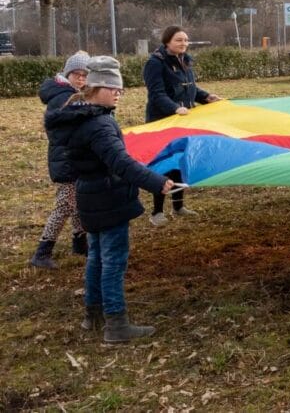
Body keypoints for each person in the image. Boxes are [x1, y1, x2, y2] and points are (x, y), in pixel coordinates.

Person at [44, 56, 174, 342]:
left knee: (96, 258)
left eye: (120, 89)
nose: (118, 94)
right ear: (95, 88)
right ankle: (116, 324)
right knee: (114, 261)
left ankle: (93, 316)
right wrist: (157, 182)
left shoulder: (78, 115)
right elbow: (120, 163)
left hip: (89, 196)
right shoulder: (99, 125)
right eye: (113, 88)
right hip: (108, 198)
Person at [143, 25, 221, 225]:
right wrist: (174, 108)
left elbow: (190, 89)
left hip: (184, 119)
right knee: (163, 165)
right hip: (163, 120)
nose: (183, 43)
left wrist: (206, 97)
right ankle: (157, 211)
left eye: (186, 40)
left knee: (180, 161)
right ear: (167, 41)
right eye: (179, 40)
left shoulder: (185, 60)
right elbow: (157, 94)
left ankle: (178, 206)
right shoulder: (155, 63)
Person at [29, 51, 91, 269]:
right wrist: (86, 113)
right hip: (65, 158)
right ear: (67, 74)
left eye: (85, 75)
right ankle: (42, 252)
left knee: (77, 201)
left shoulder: (72, 93)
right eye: (77, 74)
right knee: (65, 204)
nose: (81, 79)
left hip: (71, 155)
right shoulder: (62, 97)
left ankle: (79, 242)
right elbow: (61, 127)